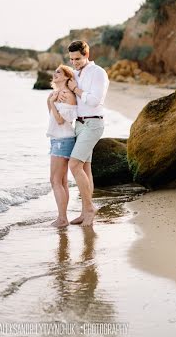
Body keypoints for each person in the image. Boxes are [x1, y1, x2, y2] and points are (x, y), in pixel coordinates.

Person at [59, 40, 109, 226]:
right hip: (79, 125)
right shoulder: (75, 74)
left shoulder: (98, 73)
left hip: (93, 124)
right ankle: (84, 210)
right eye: (71, 59)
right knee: (86, 169)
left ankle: (90, 209)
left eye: (78, 59)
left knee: (74, 165)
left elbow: (95, 100)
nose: (74, 62)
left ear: (86, 55)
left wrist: (75, 89)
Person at [47, 64, 78, 228]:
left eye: (59, 71)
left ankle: (62, 218)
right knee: (62, 181)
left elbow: (60, 121)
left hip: (63, 140)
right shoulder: (54, 94)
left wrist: (52, 102)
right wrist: (51, 100)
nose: (55, 73)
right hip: (57, 140)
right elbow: (52, 117)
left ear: (67, 76)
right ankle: (63, 217)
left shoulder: (67, 95)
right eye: (55, 71)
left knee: (55, 180)